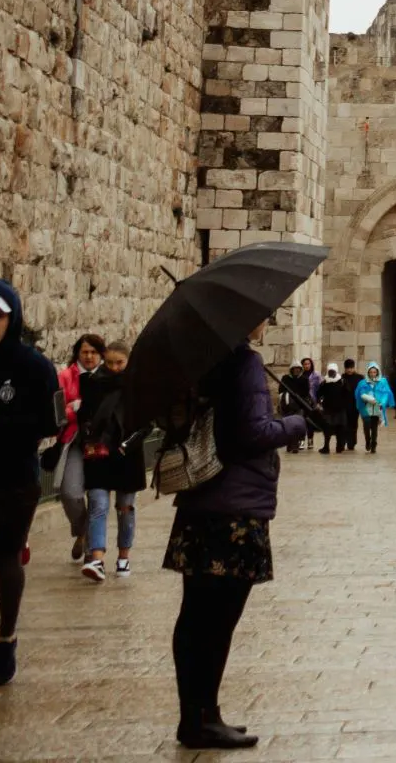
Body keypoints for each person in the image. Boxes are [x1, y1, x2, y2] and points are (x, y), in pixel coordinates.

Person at [163, 318, 307, 749]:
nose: (268, 318)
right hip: (235, 509)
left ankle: (199, 715)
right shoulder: (243, 361)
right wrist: (296, 424)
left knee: (195, 616)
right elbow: (251, 433)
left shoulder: (199, 360)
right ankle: (202, 718)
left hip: (200, 504)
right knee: (218, 620)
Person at [0, 279, 62, 686]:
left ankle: (5, 637)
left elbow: (54, 420)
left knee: (5, 555)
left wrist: (11, 425)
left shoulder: (34, 367)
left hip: (13, 476)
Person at [78, 339, 146, 582]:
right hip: (100, 452)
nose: (115, 368)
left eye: (120, 363)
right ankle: (97, 558)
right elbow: (84, 415)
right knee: (98, 504)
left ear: (128, 362)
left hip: (127, 453)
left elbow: (146, 422)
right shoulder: (93, 383)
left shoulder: (137, 386)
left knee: (125, 508)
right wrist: (89, 434)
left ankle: (123, 556)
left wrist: (128, 444)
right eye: (110, 363)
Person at [55, 334, 106, 564]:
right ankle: (82, 531)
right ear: (78, 353)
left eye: (94, 352)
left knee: (97, 499)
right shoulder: (65, 377)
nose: (89, 356)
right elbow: (57, 414)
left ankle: (91, 548)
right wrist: (73, 409)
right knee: (71, 493)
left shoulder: (107, 377)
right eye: (85, 351)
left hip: (100, 444)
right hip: (74, 441)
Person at [356, 363, 395, 453]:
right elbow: (361, 394)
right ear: (368, 372)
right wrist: (369, 399)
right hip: (366, 409)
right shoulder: (363, 383)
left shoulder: (382, 382)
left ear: (377, 372)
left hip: (376, 409)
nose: (372, 374)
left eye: (374, 372)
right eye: (371, 372)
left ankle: (373, 444)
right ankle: (367, 441)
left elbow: (386, 393)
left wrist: (382, 402)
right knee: (366, 426)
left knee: (374, 428)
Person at [278, 362, 312, 454]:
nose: (296, 370)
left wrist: (298, 396)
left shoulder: (304, 379)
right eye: (295, 368)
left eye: (298, 368)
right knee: (288, 425)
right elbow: (281, 390)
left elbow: (306, 392)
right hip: (287, 406)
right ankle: (289, 444)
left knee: (296, 425)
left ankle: (295, 445)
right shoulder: (285, 378)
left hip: (299, 406)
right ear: (292, 369)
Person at [315, 365, 348, 454]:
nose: (331, 373)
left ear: (336, 371)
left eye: (333, 371)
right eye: (330, 371)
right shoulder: (324, 382)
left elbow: (347, 394)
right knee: (327, 428)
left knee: (340, 428)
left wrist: (344, 405)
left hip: (340, 409)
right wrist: (319, 403)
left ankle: (339, 446)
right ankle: (326, 447)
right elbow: (319, 393)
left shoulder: (342, 381)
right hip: (328, 409)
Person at [339, 360, 363, 453]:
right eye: (347, 368)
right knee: (344, 424)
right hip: (344, 405)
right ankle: (343, 441)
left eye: (351, 368)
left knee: (353, 424)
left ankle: (352, 443)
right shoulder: (341, 378)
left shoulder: (360, 378)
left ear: (354, 367)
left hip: (355, 404)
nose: (349, 370)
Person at [299, 358, 322, 452]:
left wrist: (319, 402)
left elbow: (320, 389)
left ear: (311, 364)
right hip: (301, 401)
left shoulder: (316, 375)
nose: (307, 366)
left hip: (313, 402)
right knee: (301, 421)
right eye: (305, 364)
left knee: (310, 422)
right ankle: (301, 441)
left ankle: (310, 440)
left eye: (308, 364)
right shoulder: (300, 375)